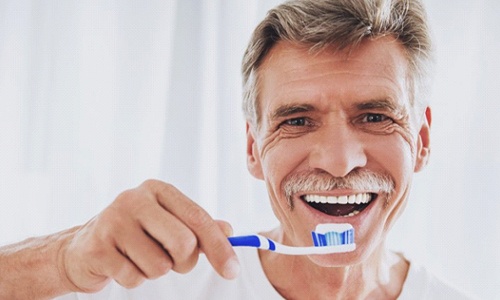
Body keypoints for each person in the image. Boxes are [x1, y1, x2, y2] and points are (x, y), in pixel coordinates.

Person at [0, 0, 473, 299]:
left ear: (423, 140)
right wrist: (64, 261)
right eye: (297, 121)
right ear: (253, 146)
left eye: (374, 117)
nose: (338, 160)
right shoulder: (149, 288)